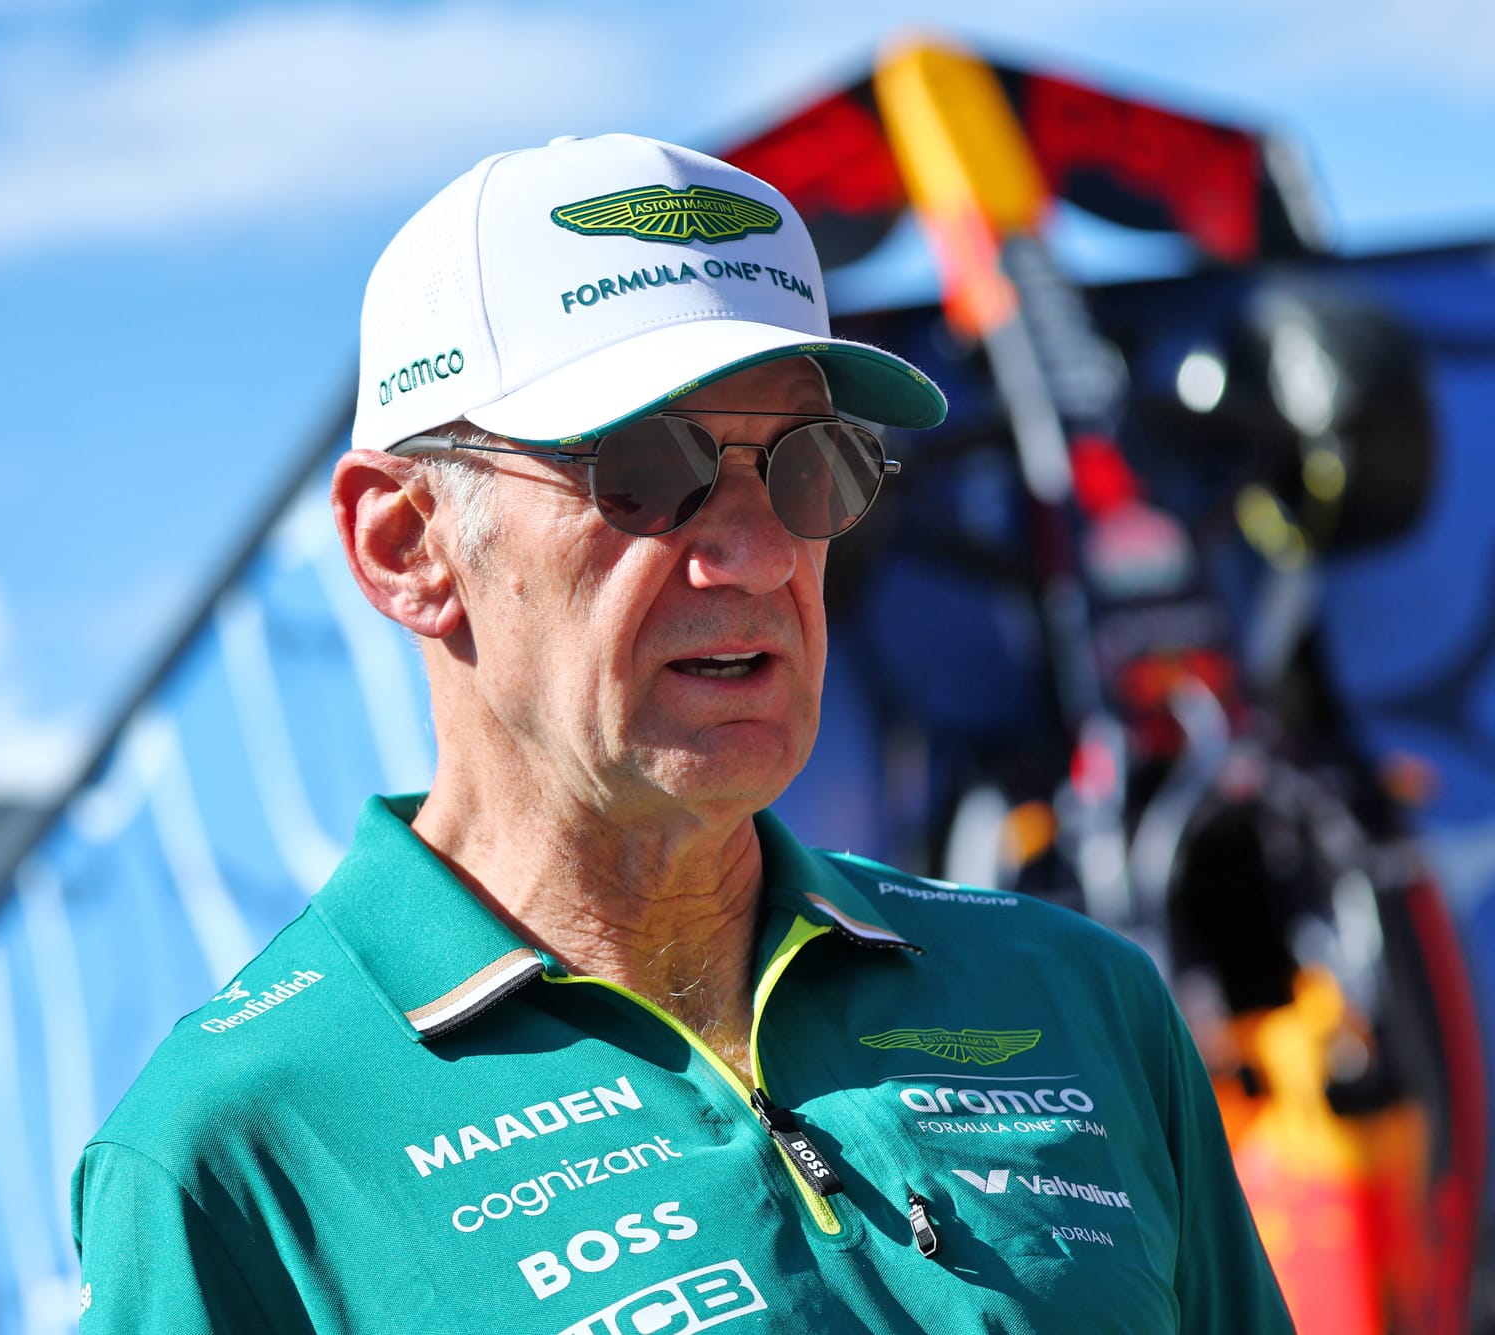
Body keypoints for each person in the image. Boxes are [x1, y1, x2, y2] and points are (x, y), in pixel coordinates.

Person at [69, 133, 1292, 1333]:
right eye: (645, 471)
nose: (756, 555)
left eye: (808, 465)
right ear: (405, 545)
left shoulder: (1077, 997)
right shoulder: (231, 1154)